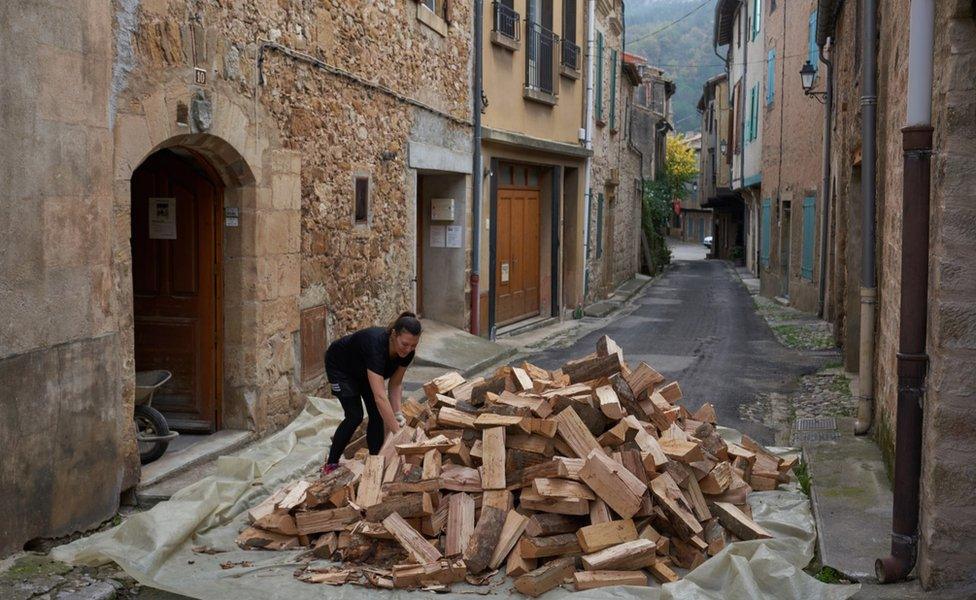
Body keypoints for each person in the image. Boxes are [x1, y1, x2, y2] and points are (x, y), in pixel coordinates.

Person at [321, 311, 422, 474]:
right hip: (341, 367)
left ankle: (376, 463)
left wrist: (397, 414)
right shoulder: (376, 346)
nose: (408, 349)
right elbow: (380, 397)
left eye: (413, 346)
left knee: (377, 415)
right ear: (394, 334)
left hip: (364, 370)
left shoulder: (407, 352)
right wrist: (397, 433)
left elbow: (395, 384)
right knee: (354, 415)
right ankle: (331, 464)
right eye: (405, 344)